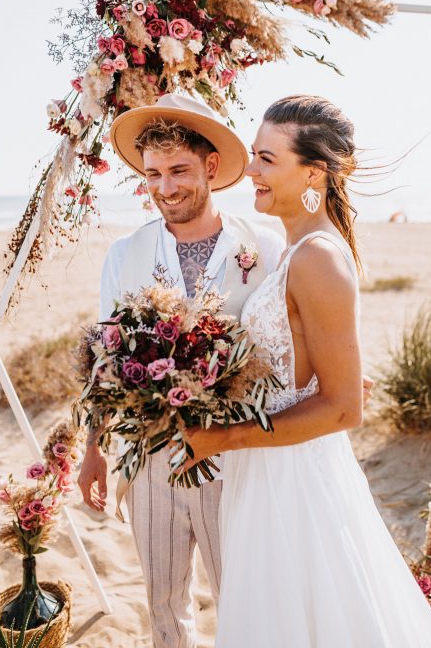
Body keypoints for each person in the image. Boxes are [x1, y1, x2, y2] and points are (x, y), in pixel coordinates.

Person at [182, 95, 431, 647]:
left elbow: (345, 407)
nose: (250, 170)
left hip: (296, 481)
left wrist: (225, 437)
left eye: (266, 159)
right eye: (255, 156)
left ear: (315, 171)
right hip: (267, 468)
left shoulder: (317, 257)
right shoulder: (290, 247)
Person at [77, 94, 286, 648]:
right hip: (149, 460)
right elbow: (105, 353)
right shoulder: (125, 253)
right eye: (153, 175)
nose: (165, 188)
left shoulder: (264, 245)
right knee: (164, 603)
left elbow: (288, 345)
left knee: (239, 593)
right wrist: (93, 449)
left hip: (235, 458)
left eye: (179, 171)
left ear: (210, 168)